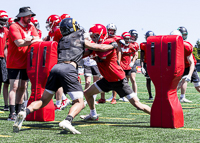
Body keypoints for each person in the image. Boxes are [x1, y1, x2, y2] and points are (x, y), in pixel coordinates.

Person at [13, 18, 117, 134]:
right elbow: (99, 48)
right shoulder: (80, 37)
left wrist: (90, 52)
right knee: (80, 102)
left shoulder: (62, 40)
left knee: (43, 100)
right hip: (68, 69)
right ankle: (67, 120)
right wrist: (113, 45)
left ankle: (25, 111)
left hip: (56, 68)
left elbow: (78, 53)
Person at [80, 24, 151, 121]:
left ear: (102, 34)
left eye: (95, 36)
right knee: (87, 93)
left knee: (138, 105)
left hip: (118, 80)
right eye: (92, 36)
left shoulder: (108, 42)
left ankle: (159, 116)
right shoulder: (95, 46)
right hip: (107, 80)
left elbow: (100, 50)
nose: (93, 38)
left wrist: (88, 44)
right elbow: (84, 54)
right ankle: (93, 115)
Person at [7, 6, 41, 121]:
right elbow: (19, 43)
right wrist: (31, 39)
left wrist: (29, 39)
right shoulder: (14, 26)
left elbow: (38, 40)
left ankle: (18, 110)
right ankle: (12, 113)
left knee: (23, 87)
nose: (30, 17)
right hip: (14, 62)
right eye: (28, 15)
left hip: (26, 62)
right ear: (22, 16)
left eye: (31, 15)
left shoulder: (31, 26)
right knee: (14, 87)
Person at [45, 14, 71, 111]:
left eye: (49, 22)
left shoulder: (59, 31)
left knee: (57, 80)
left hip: (59, 57)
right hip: (54, 57)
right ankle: (64, 99)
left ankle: (59, 103)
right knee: (53, 79)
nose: (48, 24)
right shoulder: (51, 31)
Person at [173, 27, 199, 103]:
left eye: (185, 35)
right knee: (179, 82)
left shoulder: (186, 45)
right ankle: (174, 96)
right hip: (181, 66)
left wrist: (190, 75)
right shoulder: (171, 45)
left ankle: (180, 97)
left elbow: (191, 63)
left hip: (189, 66)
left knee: (197, 86)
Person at [140, 31, 155, 100]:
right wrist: (142, 67)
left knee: (156, 80)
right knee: (148, 79)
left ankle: (157, 95)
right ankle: (150, 95)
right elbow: (142, 57)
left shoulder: (156, 44)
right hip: (147, 64)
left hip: (155, 64)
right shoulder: (143, 45)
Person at [0, 10, 9, 111]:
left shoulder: (5, 31)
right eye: (2, 20)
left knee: (3, 81)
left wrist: (7, 61)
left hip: (2, 58)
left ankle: (6, 105)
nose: (3, 22)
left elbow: (6, 47)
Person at [129, 29, 139, 93]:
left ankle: (135, 94)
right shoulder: (125, 43)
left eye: (134, 37)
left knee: (133, 79)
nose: (133, 38)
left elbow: (136, 55)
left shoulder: (136, 44)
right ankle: (124, 95)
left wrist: (132, 62)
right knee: (125, 80)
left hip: (132, 63)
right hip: (125, 63)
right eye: (132, 36)